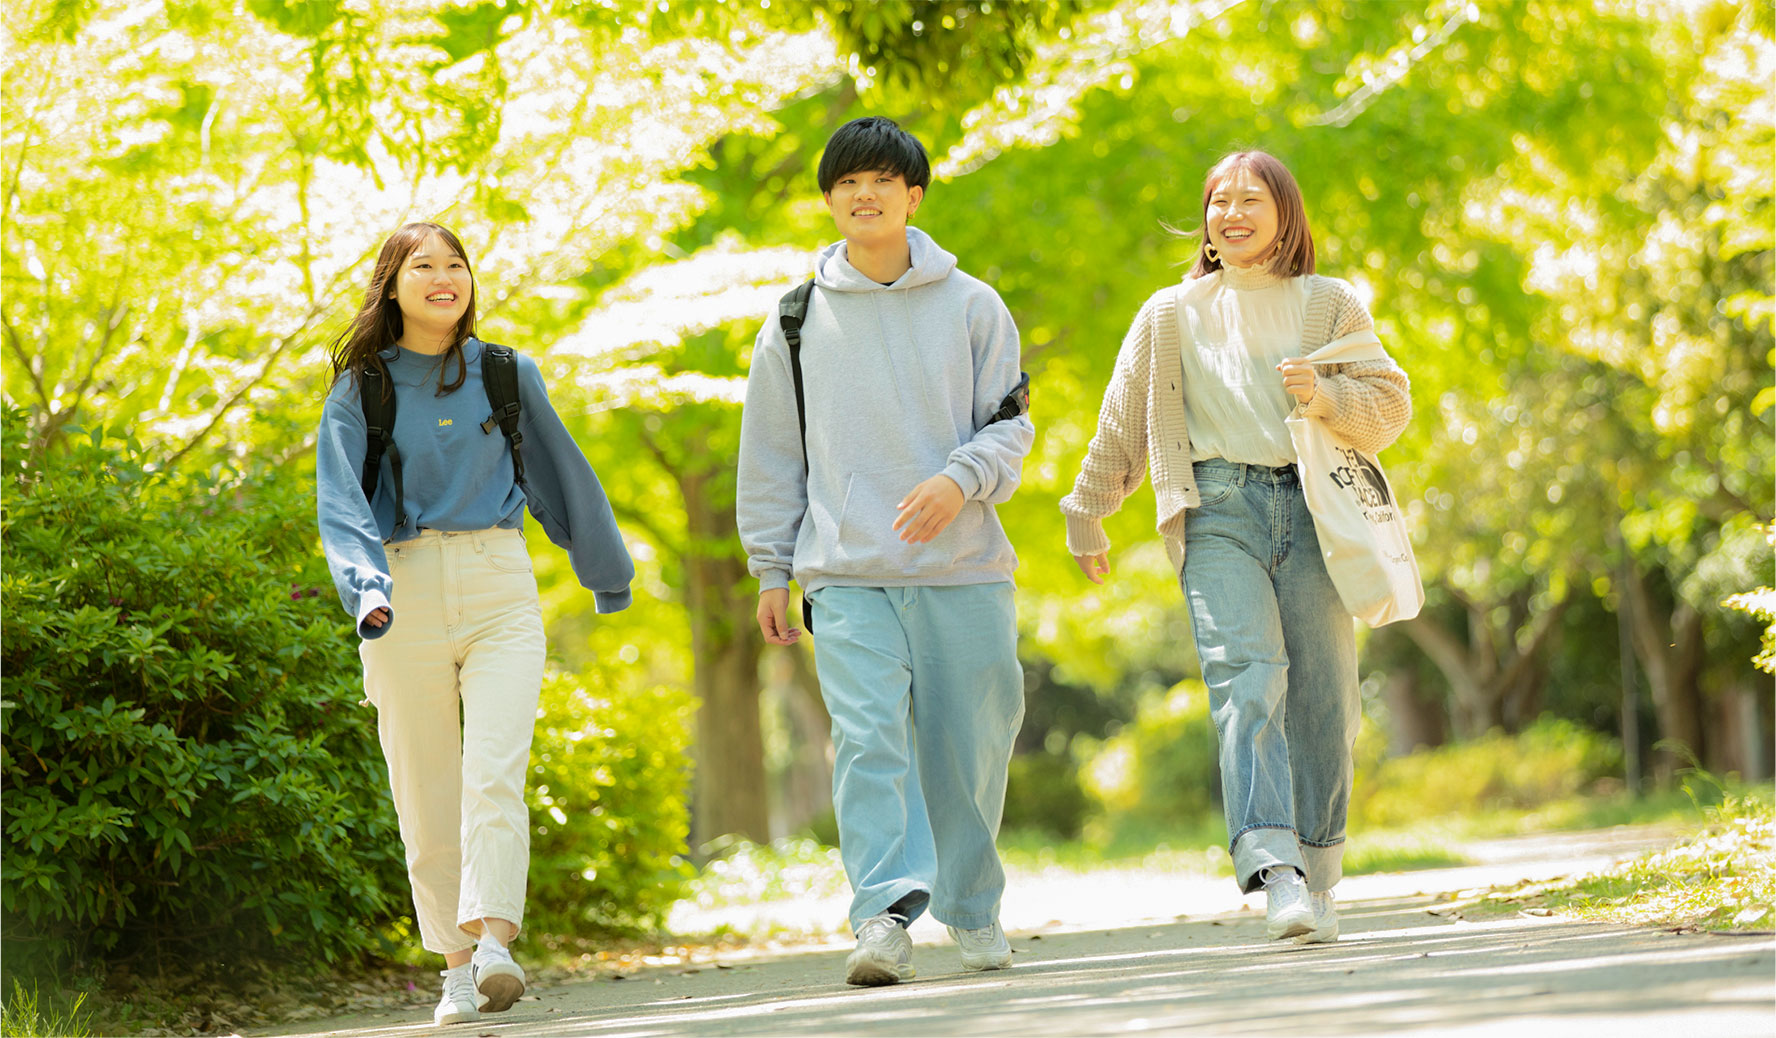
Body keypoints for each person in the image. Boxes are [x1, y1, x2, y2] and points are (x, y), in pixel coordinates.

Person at [1060, 151, 1410, 945]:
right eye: (1220, 200)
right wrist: (1089, 507)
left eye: (1252, 199)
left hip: (1315, 510)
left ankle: (1318, 871)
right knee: (1245, 680)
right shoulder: (1169, 312)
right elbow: (1123, 420)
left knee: (1326, 697)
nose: (1233, 212)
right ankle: (1275, 869)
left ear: (1286, 215)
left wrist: (1324, 395)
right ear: (1207, 221)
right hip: (1216, 508)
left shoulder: (1328, 303)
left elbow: (1388, 408)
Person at [736, 117, 1034, 985]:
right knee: (868, 742)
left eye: (881, 181)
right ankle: (884, 914)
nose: (863, 195)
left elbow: (1010, 426)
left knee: (972, 741)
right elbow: (772, 455)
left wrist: (960, 479)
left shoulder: (974, 304)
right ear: (828, 201)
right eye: (845, 183)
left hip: (964, 568)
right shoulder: (793, 320)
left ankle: (973, 906)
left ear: (914, 195)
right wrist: (771, 567)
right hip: (848, 572)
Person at [315, 222, 634, 1025]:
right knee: (423, 792)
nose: (442, 277)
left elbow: (567, 475)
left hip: (500, 583)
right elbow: (339, 503)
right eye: (421, 266)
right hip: (401, 589)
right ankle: (455, 969)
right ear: (392, 286)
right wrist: (366, 589)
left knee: (494, 773)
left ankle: (495, 943)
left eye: (455, 265)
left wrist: (607, 576)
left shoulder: (505, 373)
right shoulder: (362, 387)